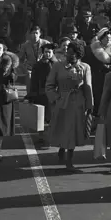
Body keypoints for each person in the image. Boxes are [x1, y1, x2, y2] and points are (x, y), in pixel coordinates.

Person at [45, 41, 94, 171]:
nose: (69, 55)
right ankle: (62, 149)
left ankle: (69, 161)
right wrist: (56, 98)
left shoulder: (85, 67)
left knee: (72, 130)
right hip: (62, 102)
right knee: (63, 128)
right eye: (68, 52)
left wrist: (90, 105)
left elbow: (88, 88)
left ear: (79, 55)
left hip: (78, 103)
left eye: (73, 54)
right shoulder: (57, 66)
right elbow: (49, 85)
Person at [27, 42, 57, 148]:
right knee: (40, 118)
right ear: (43, 53)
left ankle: (49, 139)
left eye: (49, 52)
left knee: (50, 118)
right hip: (40, 94)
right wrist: (31, 95)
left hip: (52, 95)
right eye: (46, 52)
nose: (47, 54)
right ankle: (41, 138)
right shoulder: (38, 65)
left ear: (52, 53)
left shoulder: (56, 65)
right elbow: (34, 81)